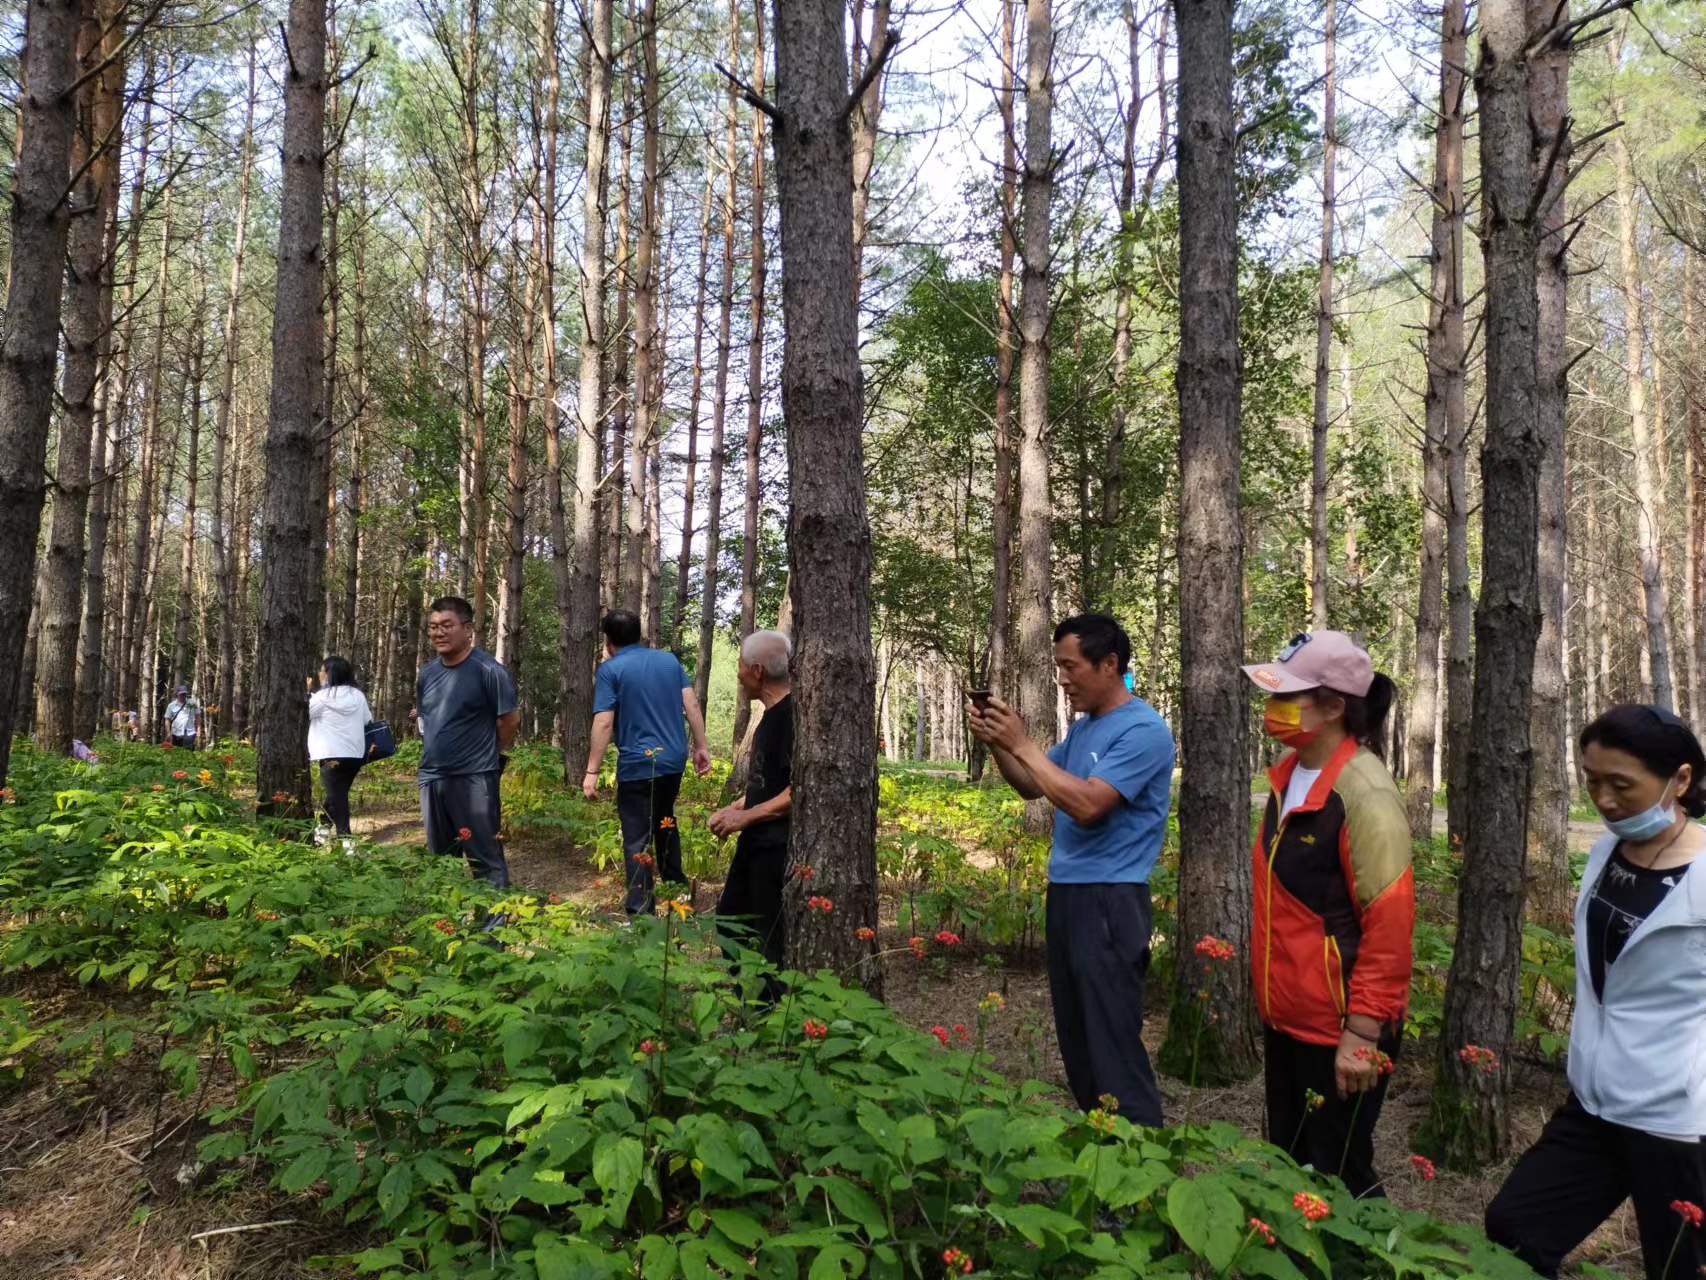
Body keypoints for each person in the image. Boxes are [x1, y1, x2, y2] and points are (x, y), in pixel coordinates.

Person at [1485, 705, 1706, 1280]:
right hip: (1594, 1099)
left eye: (1622, 785)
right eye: (1591, 780)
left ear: (1680, 779)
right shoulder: (1608, 852)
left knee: (1678, 1267)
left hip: (1676, 1120)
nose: (1604, 800)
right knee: (1516, 1225)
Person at [967, 612, 1174, 1126]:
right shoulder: (1085, 729)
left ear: (1109, 664)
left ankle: (1139, 1159)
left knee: (1112, 1045)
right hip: (1069, 895)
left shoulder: (1144, 730)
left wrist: (1022, 743)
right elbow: (1031, 784)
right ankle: (1100, 1150)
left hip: (1110, 900)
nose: (1061, 678)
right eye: (1057, 666)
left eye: (1070, 666)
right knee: (1079, 1043)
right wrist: (998, 741)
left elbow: (1086, 804)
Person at [1241, 630, 1412, 1198]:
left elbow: (1389, 923)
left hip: (1340, 1026)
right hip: (1289, 1016)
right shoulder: (1287, 776)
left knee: (1340, 1178)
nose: (1273, 707)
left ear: (1334, 707)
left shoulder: (1365, 792)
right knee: (1291, 1165)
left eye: (1287, 695)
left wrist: (1362, 1031)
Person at [582, 609, 713, 916]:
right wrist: (701, 746)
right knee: (665, 823)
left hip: (637, 766)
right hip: (673, 761)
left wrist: (591, 771)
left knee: (637, 838)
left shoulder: (610, 670)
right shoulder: (668, 661)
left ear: (608, 640)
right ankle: (679, 899)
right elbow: (692, 704)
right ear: (638, 634)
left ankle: (641, 915)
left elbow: (604, 721)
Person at [709, 631, 794, 998]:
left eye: (741, 665)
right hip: (755, 840)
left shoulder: (791, 716)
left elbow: (800, 789)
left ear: (757, 670)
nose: (738, 673)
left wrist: (747, 817)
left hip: (776, 848)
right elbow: (772, 781)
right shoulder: (771, 715)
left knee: (767, 936)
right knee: (730, 921)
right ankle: (750, 999)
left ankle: (767, 1009)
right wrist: (739, 806)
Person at [415, 596, 518, 888]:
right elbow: (427, 719)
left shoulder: (488, 671)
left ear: (468, 629)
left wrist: (487, 754)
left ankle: (492, 918)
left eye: (447, 625)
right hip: (432, 778)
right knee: (441, 860)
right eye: (433, 627)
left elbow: (509, 721)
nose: (438, 633)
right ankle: (447, 915)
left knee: (485, 859)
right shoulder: (427, 673)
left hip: (474, 778)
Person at [308, 655, 374, 841]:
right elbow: (367, 720)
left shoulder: (321, 697)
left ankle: (346, 842)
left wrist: (308, 692)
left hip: (330, 754)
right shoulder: (358, 695)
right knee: (336, 796)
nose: (319, 674)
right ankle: (320, 836)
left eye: (322, 670)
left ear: (330, 674)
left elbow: (305, 713)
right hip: (355, 754)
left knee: (337, 798)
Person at [163, 685, 202, 750]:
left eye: (184, 694)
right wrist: (168, 733)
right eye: (181, 694)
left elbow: (198, 716)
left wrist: (198, 729)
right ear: (177, 694)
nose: (183, 696)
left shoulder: (192, 703)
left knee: (188, 752)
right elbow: (167, 719)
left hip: (190, 732)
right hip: (176, 733)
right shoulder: (171, 705)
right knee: (176, 752)